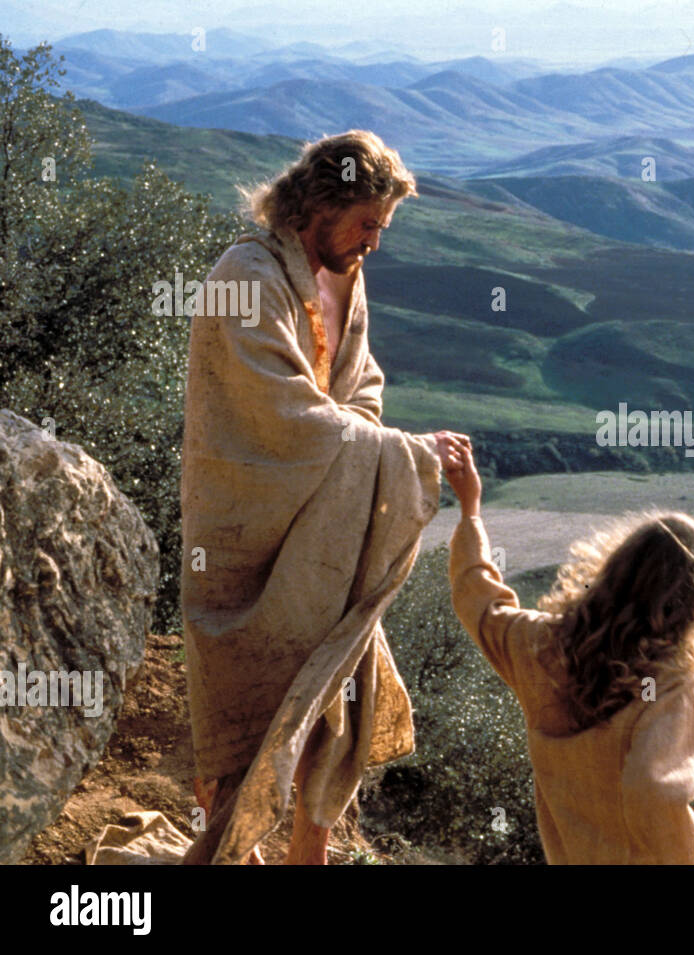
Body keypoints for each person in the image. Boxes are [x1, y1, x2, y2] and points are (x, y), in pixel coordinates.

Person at [179, 129, 473, 864]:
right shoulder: (244, 275)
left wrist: (378, 453)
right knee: (241, 708)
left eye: (383, 228)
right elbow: (277, 415)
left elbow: (360, 387)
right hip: (242, 528)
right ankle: (233, 856)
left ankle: (307, 853)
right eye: (367, 223)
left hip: (328, 530)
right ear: (320, 204)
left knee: (335, 694)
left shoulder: (346, 275)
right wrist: (408, 455)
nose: (375, 242)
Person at [444, 443, 694, 863]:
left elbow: (480, 602)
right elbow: (655, 792)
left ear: (614, 566)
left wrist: (470, 512)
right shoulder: (676, 679)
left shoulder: (539, 645)